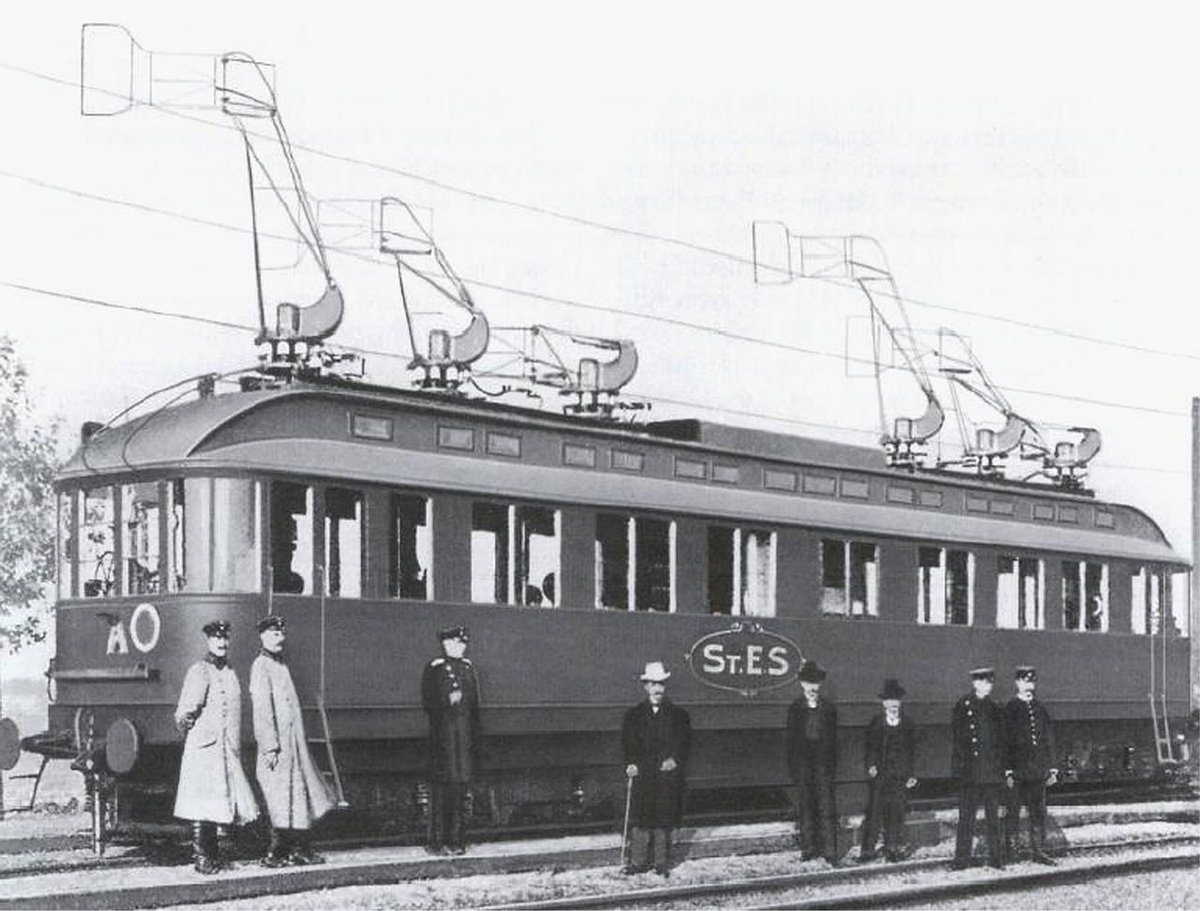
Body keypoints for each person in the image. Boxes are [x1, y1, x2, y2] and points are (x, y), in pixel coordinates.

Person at [250, 616, 337, 867]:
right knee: (279, 797)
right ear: (263, 636)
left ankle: (299, 849)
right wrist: (270, 747)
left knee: (297, 796)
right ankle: (276, 852)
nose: (280, 639)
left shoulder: (280, 665)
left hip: (292, 744)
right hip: (277, 747)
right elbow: (263, 710)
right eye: (274, 634)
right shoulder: (261, 666)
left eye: (281, 634)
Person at [173, 620, 259, 874]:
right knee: (202, 804)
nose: (221, 643)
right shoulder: (199, 671)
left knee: (216, 803)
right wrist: (195, 737)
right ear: (208, 641)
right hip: (204, 748)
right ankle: (202, 858)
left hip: (225, 749)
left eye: (225, 639)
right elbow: (184, 713)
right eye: (216, 639)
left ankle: (213, 856)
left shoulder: (230, 671)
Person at [621, 661, 691, 877]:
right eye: (653, 684)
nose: (658, 689)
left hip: (665, 775)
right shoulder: (633, 715)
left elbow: (685, 743)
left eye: (661, 684)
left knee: (663, 820)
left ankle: (661, 863)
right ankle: (638, 862)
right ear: (646, 686)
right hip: (643, 774)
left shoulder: (679, 715)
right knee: (640, 819)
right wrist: (630, 763)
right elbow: (627, 743)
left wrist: (674, 759)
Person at [421, 625, 482, 855]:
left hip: (463, 742)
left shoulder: (468, 669)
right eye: (457, 643)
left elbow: (475, 708)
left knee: (459, 793)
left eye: (463, 643)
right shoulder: (435, 669)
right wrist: (448, 701)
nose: (461, 647)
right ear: (446, 644)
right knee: (440, 793)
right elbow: (428, 704)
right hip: (443, 742)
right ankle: (437, 842)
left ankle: (456, 840)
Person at [950, 667, 1006, 870]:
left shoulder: (995, 708)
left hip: (991, 773)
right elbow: (957, 741)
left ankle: (996, 857)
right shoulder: (963, 706)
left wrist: (1002, 769)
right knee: (966, 818)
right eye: (984, 682)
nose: (988, 686)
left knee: (993, 818)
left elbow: (1001, 742)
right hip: (970, 772)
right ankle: (961, 858)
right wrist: (958, 770)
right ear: (975, 683)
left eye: (990, 682)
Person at [785, 659, 839, 865]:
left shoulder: (829, 709)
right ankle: (808, 849)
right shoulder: (795, 709)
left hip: (823, 764)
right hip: (803, 764)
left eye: (815, 684)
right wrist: (794, 769)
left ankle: (830, 851)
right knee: (806, 808)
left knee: (826, 807)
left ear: (820, 685)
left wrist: (831, 766)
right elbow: (790, 741)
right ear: (802, 685)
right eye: (808, 684)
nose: (812, 688)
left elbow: (834, 741)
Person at [859, 678, 918, 863]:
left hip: (899, 776)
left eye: (896, 701)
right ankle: (867, 851)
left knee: (896, 813)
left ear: (900, 703)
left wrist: (912, 774)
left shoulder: (907, 725)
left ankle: (892, 848)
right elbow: (869, 748)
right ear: (884, 704)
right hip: (880, 776)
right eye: (890, 701)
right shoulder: (876, 723)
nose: (893, 705)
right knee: (874, 813)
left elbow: (913, 751)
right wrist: (870, 766)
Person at [1004, 666, 1058, 865]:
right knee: (1014, 811)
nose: (1029, 686)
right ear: (1017, 683)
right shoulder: (1010, 708)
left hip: (1037, 770)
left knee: (1038, 812)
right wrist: (1008, 770)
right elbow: (1005, 741)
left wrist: (1052, 768)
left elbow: (1048, 738)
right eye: (1025, 682)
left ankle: (1039, 851)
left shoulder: (1039, 707)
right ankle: (1012, 851)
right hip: (1019, 770)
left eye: (1031, 682)